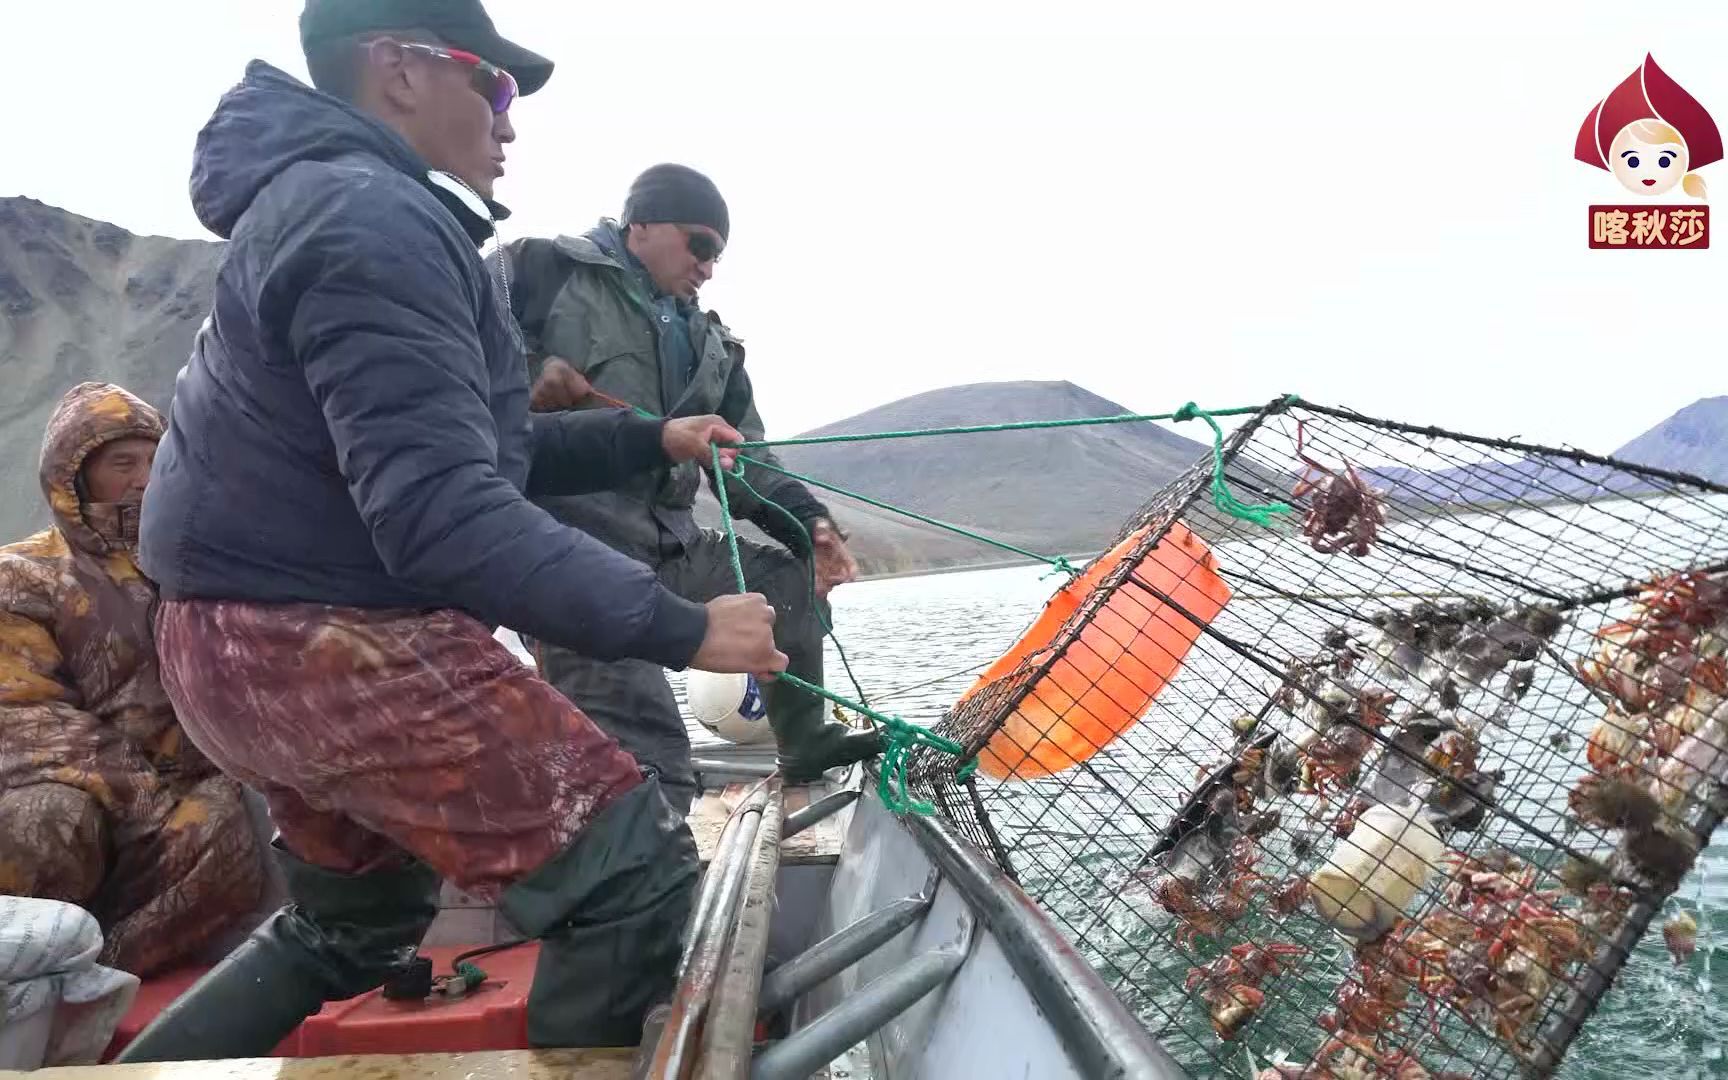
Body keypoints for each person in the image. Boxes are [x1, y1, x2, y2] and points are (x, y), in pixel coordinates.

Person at [115, 0, 786, 1061]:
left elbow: (477, 451)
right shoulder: (371, 219)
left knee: (354, 927)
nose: (509, 122)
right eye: (496, 86)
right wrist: (688, 628)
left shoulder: (335, 203)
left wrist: (653, 439)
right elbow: (442, 516)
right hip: (321, 646)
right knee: (637, 873)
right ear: (400, 71)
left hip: (231, 648)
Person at [507, 165, 883, 813]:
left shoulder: (716, 348)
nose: (708, 267)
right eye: (699, 244)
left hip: (674, 544)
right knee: (652, 763)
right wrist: (527, 374)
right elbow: (453, 351)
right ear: (641, 225)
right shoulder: (541, 271)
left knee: (789, 579)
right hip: (574, 553)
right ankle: (636, 878)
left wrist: (811, 523)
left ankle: (804, 739)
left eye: (718, 254)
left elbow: (748, 464)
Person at [0, 382, 264, 978]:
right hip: (94, 791)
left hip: (191, 787)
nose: (144, 478)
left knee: (225, 830)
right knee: (44, 820)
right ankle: (23, 980)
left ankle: (101, 976)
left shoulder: (204, 562)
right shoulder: (22, 576)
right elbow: (22, 716)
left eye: (155, 459)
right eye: (123, 463)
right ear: (76, 474)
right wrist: (139, 796)